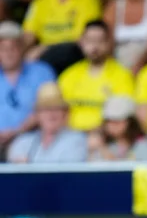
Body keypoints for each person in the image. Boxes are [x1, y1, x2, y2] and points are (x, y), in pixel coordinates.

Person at [21, 0, 101, 74]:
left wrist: (45, 48)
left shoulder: (88, 0)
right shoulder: (40, 2)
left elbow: (84, 39)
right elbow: (28, 35)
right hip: (43, 54)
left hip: (73, 51)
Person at [57, 21, 135, 132]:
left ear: (108, 43)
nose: (94, 46)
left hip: (106, 137)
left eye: (100, 41)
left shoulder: (122, 75)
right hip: (70, 135)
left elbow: (122, 116)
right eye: (90, 41)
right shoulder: (69, 75)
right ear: (81, 42)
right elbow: (59, 112)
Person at [0, 21, 55, 155]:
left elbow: (51, 107)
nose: (9, 53)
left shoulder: (42, 72)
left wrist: (18, 131)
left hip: (33, 137)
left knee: (22, 151)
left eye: (13, 47)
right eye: (3, 48)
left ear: (22, 48)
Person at [6, 81, 87, 164]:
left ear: (65, 114)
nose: (51, 114)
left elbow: (67, 174)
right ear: (37, 115)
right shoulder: (23, 142)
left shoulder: (77, 140)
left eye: (56, 108)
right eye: (45, 109)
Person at [88, 96, 147, 161]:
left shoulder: (142, 144)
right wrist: (94, 150)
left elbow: (144, 167)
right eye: (109, 120)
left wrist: (103, 150)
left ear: (130, 121)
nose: (112, 125)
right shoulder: (101, 142)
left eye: (117, 120)